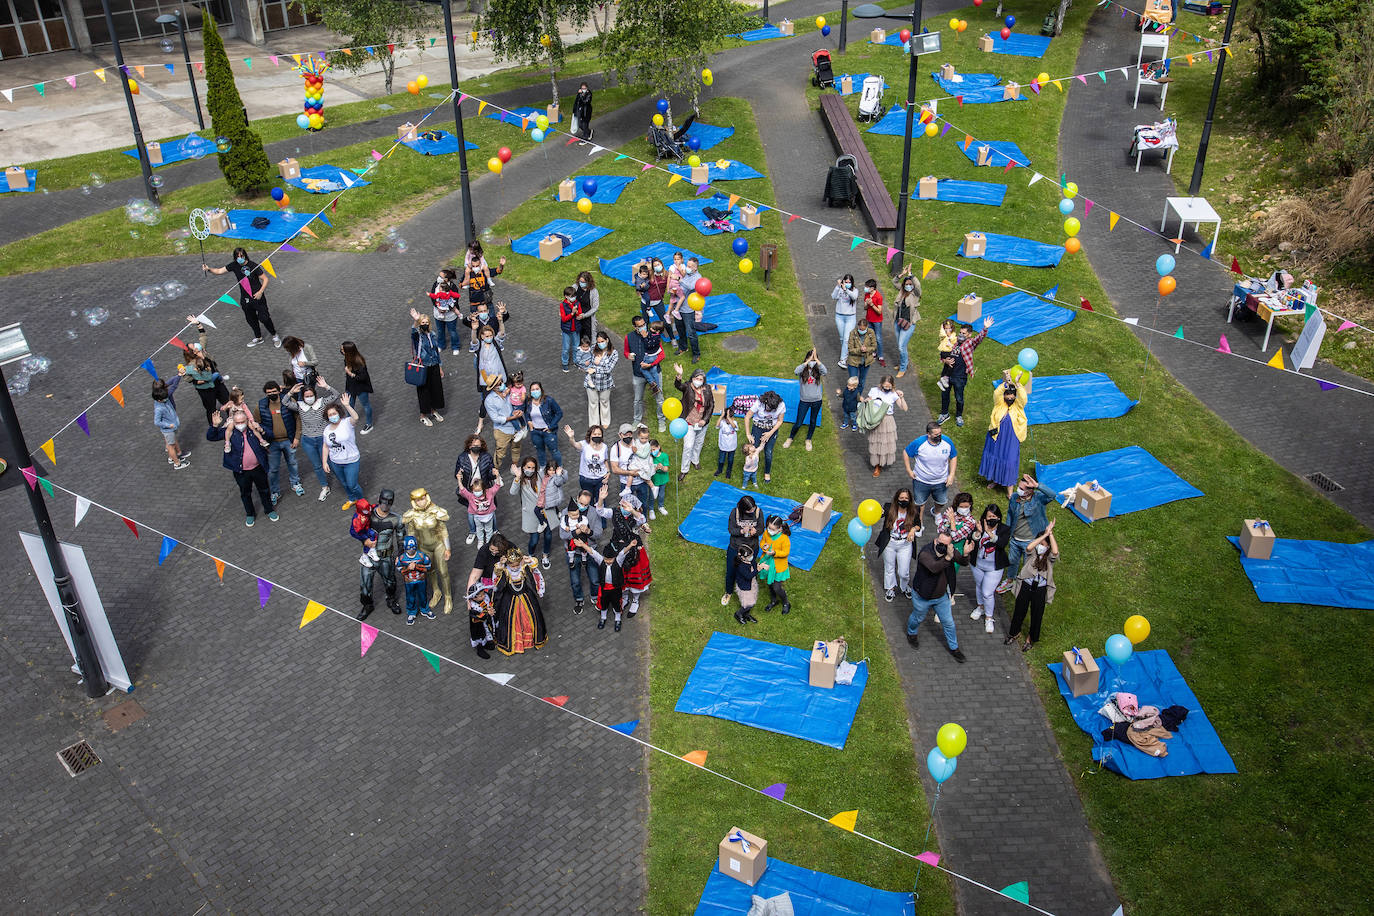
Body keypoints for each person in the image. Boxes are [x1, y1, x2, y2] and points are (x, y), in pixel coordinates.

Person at [209, 407, 278, 527]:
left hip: (258, 468)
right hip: (241, 471)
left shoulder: (253, 428)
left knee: (264, 490)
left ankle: (269, 509)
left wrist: (261, 429)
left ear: (247, 420)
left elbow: (271, 435)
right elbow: (211, 437)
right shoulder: (230, 432)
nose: (240, 425)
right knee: (245, 493)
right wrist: (214, 426)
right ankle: (250, 513)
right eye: (237, 422)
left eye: (242, 422)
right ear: (233, 422)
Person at [906, 533, 970, 662]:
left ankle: (954, 648)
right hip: (923, 597)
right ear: (935, 541)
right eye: (941, 544)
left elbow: (963, 562)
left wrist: (965, 554)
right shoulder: (925, 553)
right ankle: (911, 633)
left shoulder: (950, 551)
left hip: (941, 597)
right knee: (918, 618)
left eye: (946, 545)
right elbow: (934, 568)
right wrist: (948, 557)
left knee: (949, 623)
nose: (943, 547)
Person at [204, 247, 280, 348]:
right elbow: (219, 271)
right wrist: (208, 269)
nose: (240, 258)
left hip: (257, 297)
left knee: (264, 318)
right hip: (245, 299)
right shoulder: (234, 265)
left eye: (241, 256)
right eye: (237, 257)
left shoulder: (253, 265)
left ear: (245, 255)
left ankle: (274, 335)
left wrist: (260, 292)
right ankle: (258, 337)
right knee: (251, 319)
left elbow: (265, 279)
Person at [1005, 520, 1058, 652]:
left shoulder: (1049, 558)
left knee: (1037, 614)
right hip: (1026, 585)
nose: (1041, 546)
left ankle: (1031, 639)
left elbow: (1055, 552)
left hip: (1040, 589)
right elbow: (1029, 547)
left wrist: (1050, 534)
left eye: (1044, 545)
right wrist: (1044, 535)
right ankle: (1014, 632)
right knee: (1019, 610)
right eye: (1040, 543)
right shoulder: (1032, 553)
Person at [284, 378, 339, 501]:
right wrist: (290, 392)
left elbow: (336, 395)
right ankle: (325, 487)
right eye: (306, 396)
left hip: (323, 440)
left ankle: (342, 480)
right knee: (317, 466)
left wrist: (326, 386)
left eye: (311, 395)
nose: (309, 397)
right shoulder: (300, 406)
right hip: (308, 441)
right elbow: (285, 402)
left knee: (330, 462)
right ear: (303, 397)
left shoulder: (322, 403)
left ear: (315, 395)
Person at [1001, 472, 1056, 594]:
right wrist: (1007, 532)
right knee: (1012, 561)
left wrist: (1037, 485)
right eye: (1018, 487)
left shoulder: (1038, 499)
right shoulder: (1015, 497)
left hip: (1031, 541)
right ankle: (1010, 580)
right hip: (1015, 539)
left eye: (1022, 489)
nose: (1018, 490)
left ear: (1030, 491)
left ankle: (1024, 586)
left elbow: (1052, 495)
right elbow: (1010, 515)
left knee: (1029, 566)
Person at [979, 372, 1032, 496]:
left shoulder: (1019, 406)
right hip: (996, 437)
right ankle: (995, 480)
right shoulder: (999, 403)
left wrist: (1018, 384)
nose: (1010, 397)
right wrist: (1006, 383)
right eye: (1007, 394)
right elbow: (997, 392)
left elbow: (1023, 397)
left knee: (1009, 460)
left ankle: (1009, 491)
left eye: (1012, 395)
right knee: (995, 456)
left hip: (1011, 438)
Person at [403, 487, 453, 614]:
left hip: (438, 544)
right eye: (418, 500)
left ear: (427, 497)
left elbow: (443, 530)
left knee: (443, 571)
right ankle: (436, 591)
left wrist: (448, 548)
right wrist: (412, 554)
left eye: (423, 498)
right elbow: (411, 533)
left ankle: (448, 597)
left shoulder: (435, 511)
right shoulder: (412, 515)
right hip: (423, 546)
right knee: (429, 570)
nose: (421, 502)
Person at [357, 488, 405, 619]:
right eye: (384, 501)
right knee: (365, 585)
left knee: (390, 583)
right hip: (368, 556)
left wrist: (400, 556)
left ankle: (391, 600)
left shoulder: (396, 519)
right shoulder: (368, 514)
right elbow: (357, 528)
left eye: (388, 502)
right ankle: (367, 605)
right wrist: (364, 540)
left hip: (385, 557)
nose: (385, 505)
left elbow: (401, 539)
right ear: (379, 500)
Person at [903, 421, 957, 536]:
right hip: (921, 481)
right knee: (919, 503)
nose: (939, 436)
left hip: (941, 481)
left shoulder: (947, 442)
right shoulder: (919, 443)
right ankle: (919, 523)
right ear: (929, 434)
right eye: (936, 434)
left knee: (941, 501)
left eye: (940, 433)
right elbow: (906, 452)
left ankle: (936, 512)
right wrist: (909, 470)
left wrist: (951, 474)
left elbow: (953, 456)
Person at [938, 317, 994, 428]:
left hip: (959, 376)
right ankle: (944, 413)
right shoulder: (953, 341)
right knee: (945, 395)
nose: (960, 335)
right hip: (947, 374)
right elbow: (942, 354)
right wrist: (945, 360)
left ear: (969, 334)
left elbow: (979, 338)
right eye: (960, 332)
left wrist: (985, 328)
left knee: (959, 397)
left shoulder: (970, 343)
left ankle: (959, 415)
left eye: (963, 333)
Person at [492, 548, 548, 655]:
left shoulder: (523, 568)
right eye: (512, 565)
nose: (515, 567)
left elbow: (535, 570)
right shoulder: (505, 571)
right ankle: (515, 643)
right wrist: (501, 563)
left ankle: (530, 640)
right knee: (511, 621)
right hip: (510, 599)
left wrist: (528, 560)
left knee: (531, 617)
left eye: (517, 565)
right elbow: (496, 578)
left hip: (526, 596)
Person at [257, 380, 303, 501]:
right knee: (273, 469)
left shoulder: (288, 401)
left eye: (273, 391)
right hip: (272, 443)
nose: (271, 394)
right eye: (268, 392)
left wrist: (297, 437)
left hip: (289, 440)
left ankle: (295, 483)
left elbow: (298, 419)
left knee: (292, 463)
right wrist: (262, 442)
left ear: (279, 390)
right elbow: (257, 424)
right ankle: (275, 491)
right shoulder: (261, 406)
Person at [969, 503, 1011, 634]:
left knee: (987, 592)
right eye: (989, 516)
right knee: (979, 585)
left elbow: (1002, 543)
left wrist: (989, 533)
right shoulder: (980, 525)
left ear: (998, 517)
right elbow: (972, 539)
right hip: (978, 564)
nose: (991, 518)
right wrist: (978, 532)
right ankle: (980, 607)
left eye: (994, 516)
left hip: (994, 567)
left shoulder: (1004, 529)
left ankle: (989, 617)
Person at [455, 434, 500, 545]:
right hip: (470, 490)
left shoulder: (486, 457)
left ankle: (494, 530)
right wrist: (459, 475)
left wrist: (494, 474)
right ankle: (473, 531)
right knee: (471, 512)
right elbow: (456, 473)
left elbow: (490, 473)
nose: (476, 447)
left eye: (478, 445)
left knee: (491, 511)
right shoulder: (462, 458)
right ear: (469, 445)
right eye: (474, 445)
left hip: (484, 488)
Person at [875, 488, 918, 602]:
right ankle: (890, 588)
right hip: (890, 543)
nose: (904, 500)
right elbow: (879, 514)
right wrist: (877, 511)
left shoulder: (914, 510)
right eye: (901, 498)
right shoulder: (889, 508)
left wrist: (913, 530)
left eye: (906, 498)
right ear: (897, 499)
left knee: (904, 572)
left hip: (905, 544)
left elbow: (918, 524)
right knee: (889, 568)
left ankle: (905, 586)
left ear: (910, 500)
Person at [625, 314, 667, 432]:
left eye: (644, 324)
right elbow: (626, 352)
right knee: (637, 399)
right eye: (640, 326)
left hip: (654, 372)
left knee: (659, 398)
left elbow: (662, 354)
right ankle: (637, 419)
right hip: (638, 374)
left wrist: (651, 365)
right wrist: (628, 356)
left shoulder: (653, 335)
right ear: (635, 327)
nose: (643, 327)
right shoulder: (629, 337)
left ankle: (661, 420)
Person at [673, 365, 715, 480]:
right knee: (688, 446)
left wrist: (704, 420)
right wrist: (679, 375)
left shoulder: (707, 389)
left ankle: (695, 460)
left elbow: (711, 405)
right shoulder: (687, 386)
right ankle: (684, 469)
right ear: (692, 378)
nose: (698, 381)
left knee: (699, 443)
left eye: (701, 379)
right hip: (689, 422)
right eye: (696, 378)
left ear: (704, 381)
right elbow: (678, 386)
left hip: (702, 423)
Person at [322, 398, 364, 507]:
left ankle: (361, 501)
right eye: (330, 414)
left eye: (334, 413)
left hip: (351, 460)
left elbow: (356, 417)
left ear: (339, 413)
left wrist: (347, 405)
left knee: (352, 484)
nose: (332, 416)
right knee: (344, 483)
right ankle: (352, 498)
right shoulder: (327, 430)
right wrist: (324, 462)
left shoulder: (347, 423)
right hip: (336, 462)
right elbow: (325, 446)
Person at [511, 456, 553, 564]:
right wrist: (517, 477)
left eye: (533, 468)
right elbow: (513, 492)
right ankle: (530, 555)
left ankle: (545, 555)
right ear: (523, 467)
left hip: (546, 510)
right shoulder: (520, 479)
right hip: (531, 513)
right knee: (534, 539)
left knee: (548, 535)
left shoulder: (540, 475)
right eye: (528, 467)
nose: (530, 470)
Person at [407, 309, 445, 426]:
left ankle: (433, 410)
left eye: (426, 322)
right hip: (423, 365)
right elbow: (413, 333)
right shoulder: (418, 335)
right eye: (422, 323)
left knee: (435, 389)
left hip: (433, 364)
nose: (425, 324)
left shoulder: (432, 334)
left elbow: (436, 352)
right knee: (424, 391)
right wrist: (416, 321)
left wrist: (440, 367)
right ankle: (423, 414)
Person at [721, 494, 761, 606]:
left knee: (751, 569)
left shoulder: (758, 512)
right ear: (743, 509)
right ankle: (728, 592)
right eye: (750, 510)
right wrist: (742, 531)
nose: (753, 511)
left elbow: (761, 528)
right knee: (731, 571)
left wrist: (756, 531)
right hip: (736, 547)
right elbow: (731, 529)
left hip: (752, 548)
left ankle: (751, 589)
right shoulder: (735, 513)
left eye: (753, 508)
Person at [864, 375, 908, 477]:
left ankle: (880, 464)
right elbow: (868, 400)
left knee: (885, 443)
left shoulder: (893, 394)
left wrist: (901, 397)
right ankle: (876, 464)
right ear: (881, 384)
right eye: (885, 386)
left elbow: (904, 408)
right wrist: (866, 401)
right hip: (875, 419)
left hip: (887, 420)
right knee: (875, 442)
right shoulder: (874, 390)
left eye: (889, 387)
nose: (887, 388)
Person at [470, 314, 509, 426]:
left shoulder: (495, 342)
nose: (489, 337)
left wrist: (501, 322)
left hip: (499, 377)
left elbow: (501, 333)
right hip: (486, 380)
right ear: (482, 336)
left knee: (503, 397)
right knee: (486, 400)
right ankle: (480, 422)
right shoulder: (479, 346)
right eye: (486, 336)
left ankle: (503, 416)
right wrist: (474, 330)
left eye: (490, 335)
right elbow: (474, 342)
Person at [784, 350, 827, 451]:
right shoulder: (802, 370)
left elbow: (825, 371)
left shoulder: (818, 370)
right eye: (810, 358)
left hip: (817, 400)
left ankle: (808, 439)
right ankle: (790, 438)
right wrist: (807, 362)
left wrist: (816, 360)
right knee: (798, 422)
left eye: (814, 359)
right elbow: (795, 371)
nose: (812, 361)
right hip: (804, 401)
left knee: (813, 421)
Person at [575, 329, 617, 429]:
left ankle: (605, 420)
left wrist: (595, 368)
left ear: (607, 340)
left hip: (605, 383)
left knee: (604, 401)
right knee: (593, 402)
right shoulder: (593, 348)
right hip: (591, 381)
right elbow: (583, 361)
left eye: (602, 341)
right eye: (598, 342)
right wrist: (584, 367)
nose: (600, 344)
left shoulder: (613, 353)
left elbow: (608, 369)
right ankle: (594, 423)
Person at [745, 390, 786, 484]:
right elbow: (747, 417)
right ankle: (750, 468)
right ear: (765, 402)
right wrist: (748, 434)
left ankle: (767, 473)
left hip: (771, 429)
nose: (770, 411)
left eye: (772, 410)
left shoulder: (781, 405)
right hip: (758, 427)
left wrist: (770, 433)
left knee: (768, 452)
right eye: (768, 408)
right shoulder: (759, 403)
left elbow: (780, 421)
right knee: (753, 448)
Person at [565, 423, 609, 504]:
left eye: (599, 434)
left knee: (601, 501)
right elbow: (575, 444)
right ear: (590, 435)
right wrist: (571, 438)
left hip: (600, 479)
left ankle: (602, 515)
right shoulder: (584, 444)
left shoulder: (604, 447)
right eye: (594, 434)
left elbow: (605, 460)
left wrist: (608, 472)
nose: (597, 435)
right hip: (586, 479)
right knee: (588, 501)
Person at [890, 264, 922, 378]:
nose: (908, 286)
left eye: (910, 284)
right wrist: (901, 275)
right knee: (901, 345)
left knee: (901, 346)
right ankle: (903, 363)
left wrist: (910, 275)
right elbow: (894, 282)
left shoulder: (915, 294)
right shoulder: (902, 291)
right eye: (906, 284)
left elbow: (918, 285)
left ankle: (903, 368)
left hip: (909, 323)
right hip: (898, 321)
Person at [397, 536, 435, 625]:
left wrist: (417, 567)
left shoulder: (421, 556)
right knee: (410, 597)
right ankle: (411, 612)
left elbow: (428, 567)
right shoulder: (402, 558)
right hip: (409, 581)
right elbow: (400, 569)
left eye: (413, 547)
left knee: (423, 595)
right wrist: (408, 569)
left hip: (421, 580)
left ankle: (425, 609)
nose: (411, 550)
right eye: (409, 548)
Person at [758, 515, 792, 614]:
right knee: (770, 583)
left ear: (780, 528)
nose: (769, 530)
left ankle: (786, 603)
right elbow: (763, 542)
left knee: (777, 587)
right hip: (767, 562)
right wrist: (764, 547)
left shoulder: (784, 538)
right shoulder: (766, 532)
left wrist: (775, 553)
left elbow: (786, 552)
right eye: (769, 528)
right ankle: (774, 600)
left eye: (772, 529)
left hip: (777, 566)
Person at [484, 377, 518, 473]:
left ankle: (514, 467)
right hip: (502, 430)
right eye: (499, 384)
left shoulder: (509, 391)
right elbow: (495, 418)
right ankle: (495, 471)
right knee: (500, 453)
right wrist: (511, 418)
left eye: (502, 382)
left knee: (516, 448)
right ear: (493, 388)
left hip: (516, 427)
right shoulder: (489, 400)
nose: (502, 384)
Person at [526, 381, 564, 468]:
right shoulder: (528, 402)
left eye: (537, 389)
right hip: (535, 432)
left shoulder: (549, 401)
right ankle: (542, 467)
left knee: (554, 451)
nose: (535, 391)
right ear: (530, 392)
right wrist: (529, 423)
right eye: (533, 390)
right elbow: (526, 413)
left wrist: (551, 426)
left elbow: (559, 413)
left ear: (541, 390)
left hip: (548, 431)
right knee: (540, 451)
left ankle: (560, 467)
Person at [674, 257, 705, 363]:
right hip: (678, 307)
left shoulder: (698, 277)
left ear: (695, 268)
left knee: (691, 333)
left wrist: (679, 280)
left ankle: (696, 353)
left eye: (690, 266)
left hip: (688, 309)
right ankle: (683, 347)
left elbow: (691, 286)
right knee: (680, 329)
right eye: (687, 265)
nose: (687, 268)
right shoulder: (686, 274)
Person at [340, 341, 374, 434]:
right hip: (350, 386)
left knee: (366, 405)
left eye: (342, 349)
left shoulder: (359, 362)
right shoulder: (347, 358)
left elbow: (363, 377)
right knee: (349, 405)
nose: (341, 351)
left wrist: (350, 373)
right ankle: (348, 423)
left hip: (360, 387)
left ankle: (369, 424)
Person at [540, 459, 569, 567]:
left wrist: (559, 473)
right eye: (550, 470)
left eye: (553, 470)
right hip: (548, 502)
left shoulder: (557, 477)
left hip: (550, 503)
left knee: (548, 530)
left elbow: (559, 481)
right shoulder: (543, 476)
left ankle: (545, 555)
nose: (551, 472)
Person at [427, 267, 462, 354]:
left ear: (446, 279)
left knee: (452, 331)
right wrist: (437, 306)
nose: (438, 278)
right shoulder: (436, 284)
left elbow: (455, 300)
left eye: (441, 276)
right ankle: (441, 345)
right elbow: (433, 297)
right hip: (438, 312)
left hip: (450, 314)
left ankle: (455, 346)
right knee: (440, 330)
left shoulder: (452, 287)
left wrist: (447, 309)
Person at [459, 474, 499, 546]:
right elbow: (462, 490)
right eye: (475, 490)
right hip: (477, 517)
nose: (477, 492)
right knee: (479, 529)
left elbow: (497, 486)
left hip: (489, 516)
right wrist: (459, 480)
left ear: (483, 489)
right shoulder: (470, 496)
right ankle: (480, 541)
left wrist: (497, 476)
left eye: (479, 490)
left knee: (489, 530)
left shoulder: (489, 492)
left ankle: (488, 543)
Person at [831, 274, 859, 364]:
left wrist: (846, 289)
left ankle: (843, 360)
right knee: (843, 338)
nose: (847, 284)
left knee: (847, 339)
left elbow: (854, 297)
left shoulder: (855, 290)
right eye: (846, 282)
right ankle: (846, 353)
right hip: (839, 316)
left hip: (850, 317)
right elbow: (833, 296)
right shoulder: (840, 289)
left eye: (849, 282)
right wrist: (837, 287)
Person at [465, 582, 497, 658]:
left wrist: (491, 609)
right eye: (481, 595)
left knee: (489, 632)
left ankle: (488, 643)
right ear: (474, 597)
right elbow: (478, 617)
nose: (483, 596)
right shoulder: (473, 607)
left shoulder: (486, 597)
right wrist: (487, 613)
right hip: (479, 625)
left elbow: (490, 603)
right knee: (480, 637)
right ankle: (480, 649)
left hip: (488, 621)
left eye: (483, 594)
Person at [845, 318, 878, 393]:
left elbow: (874, 346)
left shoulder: (871, 332)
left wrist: (867, 349)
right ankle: (851, 396)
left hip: (866, 362)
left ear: (867, 327)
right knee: (852, 381)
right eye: (860, 329)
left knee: (862, 381)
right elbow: (850, 349)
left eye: (864, 329)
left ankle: (858, 397)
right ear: (858, 326)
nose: (862, 331)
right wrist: (860, 349)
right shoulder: (853, 333)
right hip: (853, 361)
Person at [730, 545, 760, 625]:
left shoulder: (750, 560)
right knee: (748, 604)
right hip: (745, 586)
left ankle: (746, 614)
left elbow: (754, 564)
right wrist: (758, 570)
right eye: (750, 556)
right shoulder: (741, 566)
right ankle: (739, 614)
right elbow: (748, 576)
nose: (752, 557)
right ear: (743, 557)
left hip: (751, 583)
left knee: (753, 598)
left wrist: (758, 566)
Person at [862, 278, 886, 366]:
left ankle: (881, 356)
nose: (865, 288)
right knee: (871, 337)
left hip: (877, 321)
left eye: (867, 287)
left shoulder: (878, 296)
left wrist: (872, 304)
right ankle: (873, 352)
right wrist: (867, 304)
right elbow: (865, 308)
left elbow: (879, 311)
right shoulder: (867, 295)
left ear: (872, 288)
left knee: (878, 338)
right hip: (869, 319)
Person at [558, 287, 581, 371]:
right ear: (566, 296)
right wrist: (572, 313)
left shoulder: (577, 303)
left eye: (574, 296)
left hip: (576, 329)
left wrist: (578, 314)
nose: (573, 298)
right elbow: (564, 319)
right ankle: (565, 363)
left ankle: (576, 361)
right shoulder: (562, 305)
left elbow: (580, 315)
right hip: (566, 330)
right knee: (566, 348)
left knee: (576, 347)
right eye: (571, 296)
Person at [575, 270, 600, 341]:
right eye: (580, 281)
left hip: (588, 318)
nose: (581, 283)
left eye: (583, 282)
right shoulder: (575, 287)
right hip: (577, 317)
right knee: (577, 337)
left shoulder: (594, 291)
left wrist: (584, 315)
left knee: (591, 338)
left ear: (588, 282)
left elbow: (595, 307)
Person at [715, 410, 738, 478]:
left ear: (733, 418)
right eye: (726, 419)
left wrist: (729, 417)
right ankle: (719, 470)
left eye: (730, 419)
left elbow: (734, 427)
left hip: (732, 446)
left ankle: (728, 471)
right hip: (723, 445)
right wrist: (721, 416)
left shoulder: (734, 423)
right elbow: (717, 425)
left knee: (730, 460)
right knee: (721, 460)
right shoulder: (722, 422)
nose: (728, 420)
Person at [650, 439, 670, 515]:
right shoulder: (650, 457)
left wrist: (661, 467)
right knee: (652, 495)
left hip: (662, 479)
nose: (652, 452)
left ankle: (660, 506)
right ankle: (651, 509)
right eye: (650, 450)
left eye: (654, 449)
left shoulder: (664, 456)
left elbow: (666, 469)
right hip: (654, 480)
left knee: (661, 494)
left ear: (658, 447)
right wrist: (654, 468)